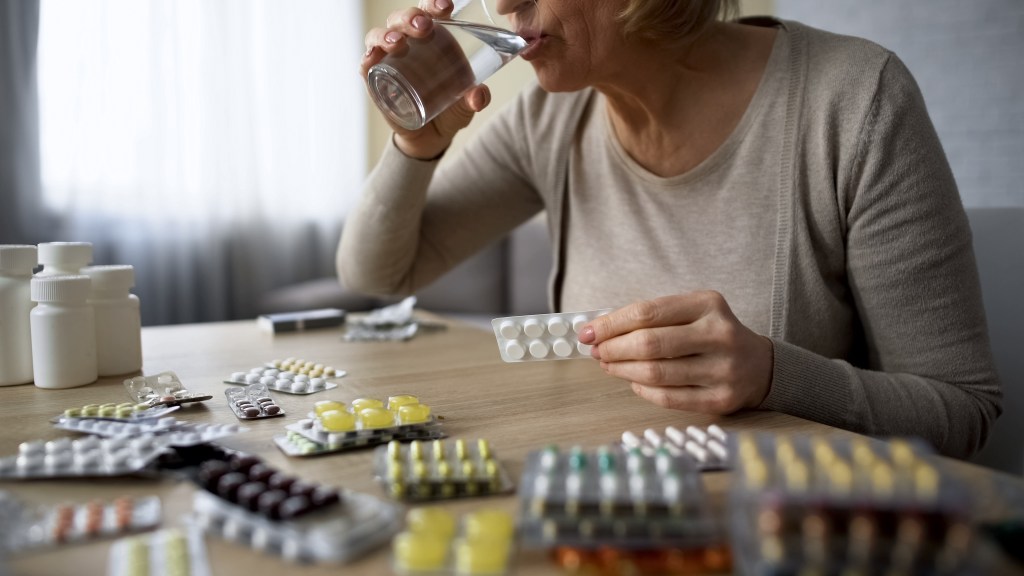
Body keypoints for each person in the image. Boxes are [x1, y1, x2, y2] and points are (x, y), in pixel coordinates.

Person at [339, 0, 1001, 459]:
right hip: (600, 518)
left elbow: (961, 411)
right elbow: (376, 273)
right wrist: (414, 146)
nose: (507, 5)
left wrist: (773, 376)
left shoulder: (854, 98)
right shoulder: (546, 122)